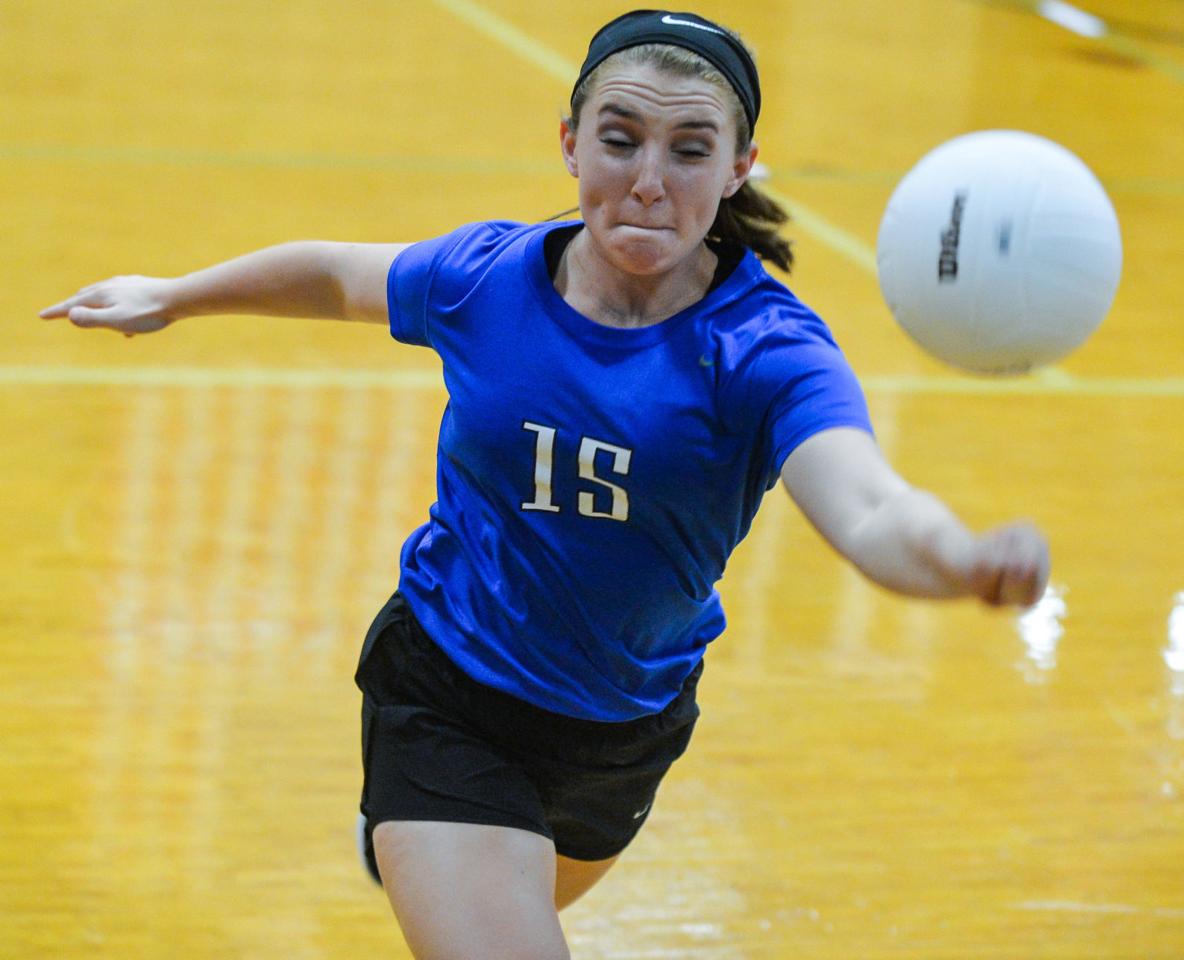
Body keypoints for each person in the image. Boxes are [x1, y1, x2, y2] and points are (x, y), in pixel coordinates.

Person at [40, 10, 1050, 959]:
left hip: (625, 731)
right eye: (620, 140)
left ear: (741, 167)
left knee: (519, 894)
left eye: (690, 150)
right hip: (447, 692)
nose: (650, 180)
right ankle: (413, 833)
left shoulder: (765, 350)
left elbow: (869, 505)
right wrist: (173, 297)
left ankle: (403, 854)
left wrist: (961, 561)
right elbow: (339, 276)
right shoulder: (488, 277)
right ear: (569, 141)